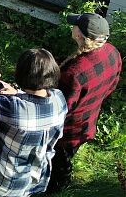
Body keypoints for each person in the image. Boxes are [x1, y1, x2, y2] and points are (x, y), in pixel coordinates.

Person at [0, 49, 68, 197]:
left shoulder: (11, 108)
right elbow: (36, 106)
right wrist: (18, 94)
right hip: (30, 179)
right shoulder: (59, 98)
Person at [47, 13, 122, 193]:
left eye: (75, 26)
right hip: (88, 121)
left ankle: (55, 187)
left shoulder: (75, 73)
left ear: (79, 35)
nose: (72, 27)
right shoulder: (113, 52)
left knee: (58, 162)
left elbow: (60, 107)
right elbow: (111, 85)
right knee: (68, 155)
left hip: (67, 132)